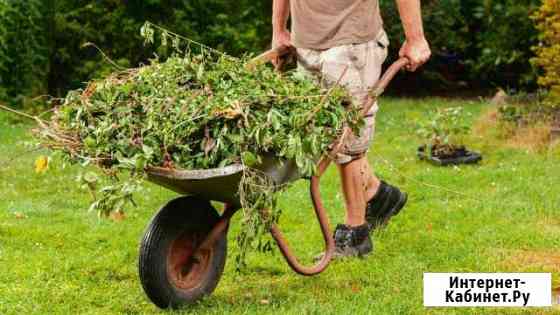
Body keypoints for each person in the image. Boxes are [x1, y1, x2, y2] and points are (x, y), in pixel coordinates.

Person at [272, 0, 431, 258]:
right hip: (307, 45)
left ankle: (356, 234)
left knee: (349, 139)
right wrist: (279, 30)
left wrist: (416, 38)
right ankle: (377, 193)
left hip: (351, 43)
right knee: (327, 136)